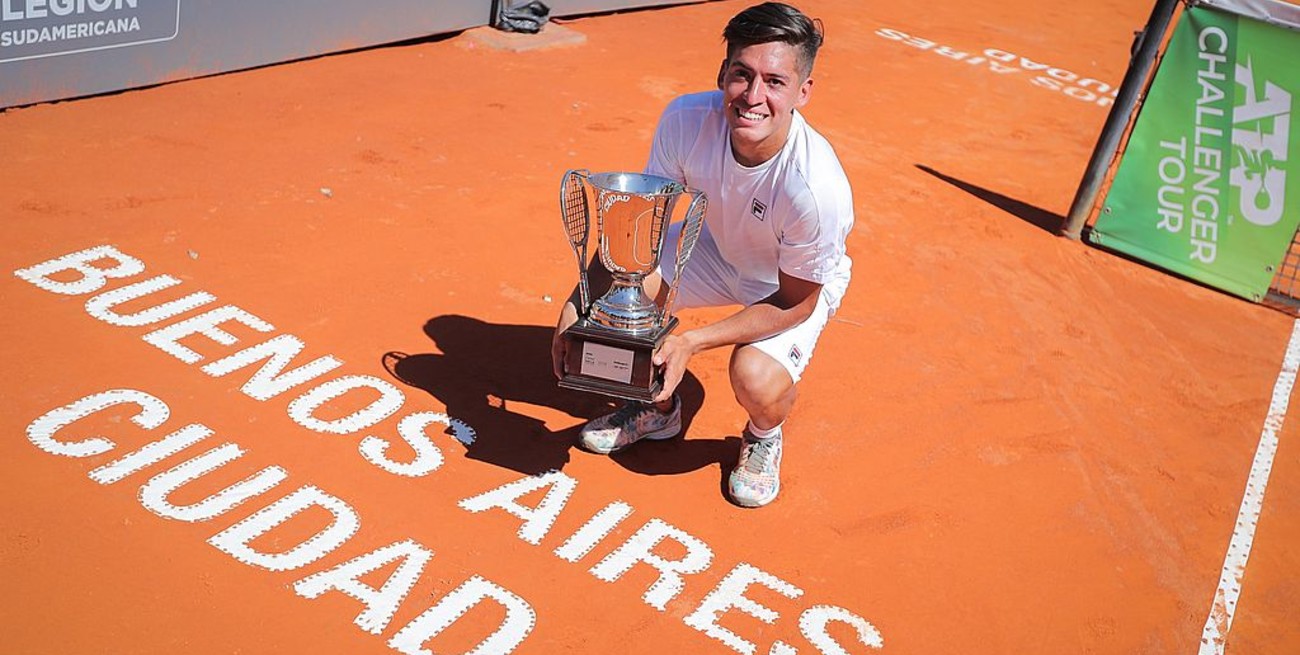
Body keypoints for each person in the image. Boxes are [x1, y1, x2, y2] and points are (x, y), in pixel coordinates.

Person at [550, 2, 854, 508]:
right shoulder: (685, 120)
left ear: (803, 92)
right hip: (710, 248)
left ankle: (762, 435)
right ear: (723, 73)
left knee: (754, 377)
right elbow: (641, 240)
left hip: (785, 285)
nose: (754, 97)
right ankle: (656, 406)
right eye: (742, 75)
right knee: (616, 310)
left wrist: (692, 342)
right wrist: (574, 308)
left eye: (775, 82)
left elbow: (796, 303)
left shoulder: (816, 188)